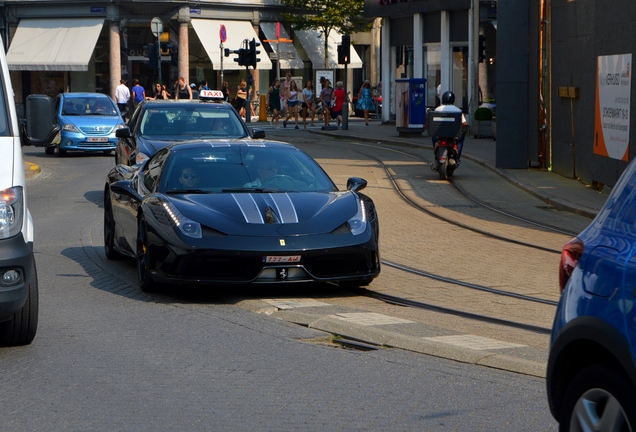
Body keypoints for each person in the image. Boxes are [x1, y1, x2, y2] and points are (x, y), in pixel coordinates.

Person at [433, 91, 468, 164]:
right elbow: (464, 123)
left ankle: (436, 151)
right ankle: (457, 156)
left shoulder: (437, 109)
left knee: (434, 137)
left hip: (440, 134)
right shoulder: (458, 110)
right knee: (461, 138)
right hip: (453, 135)